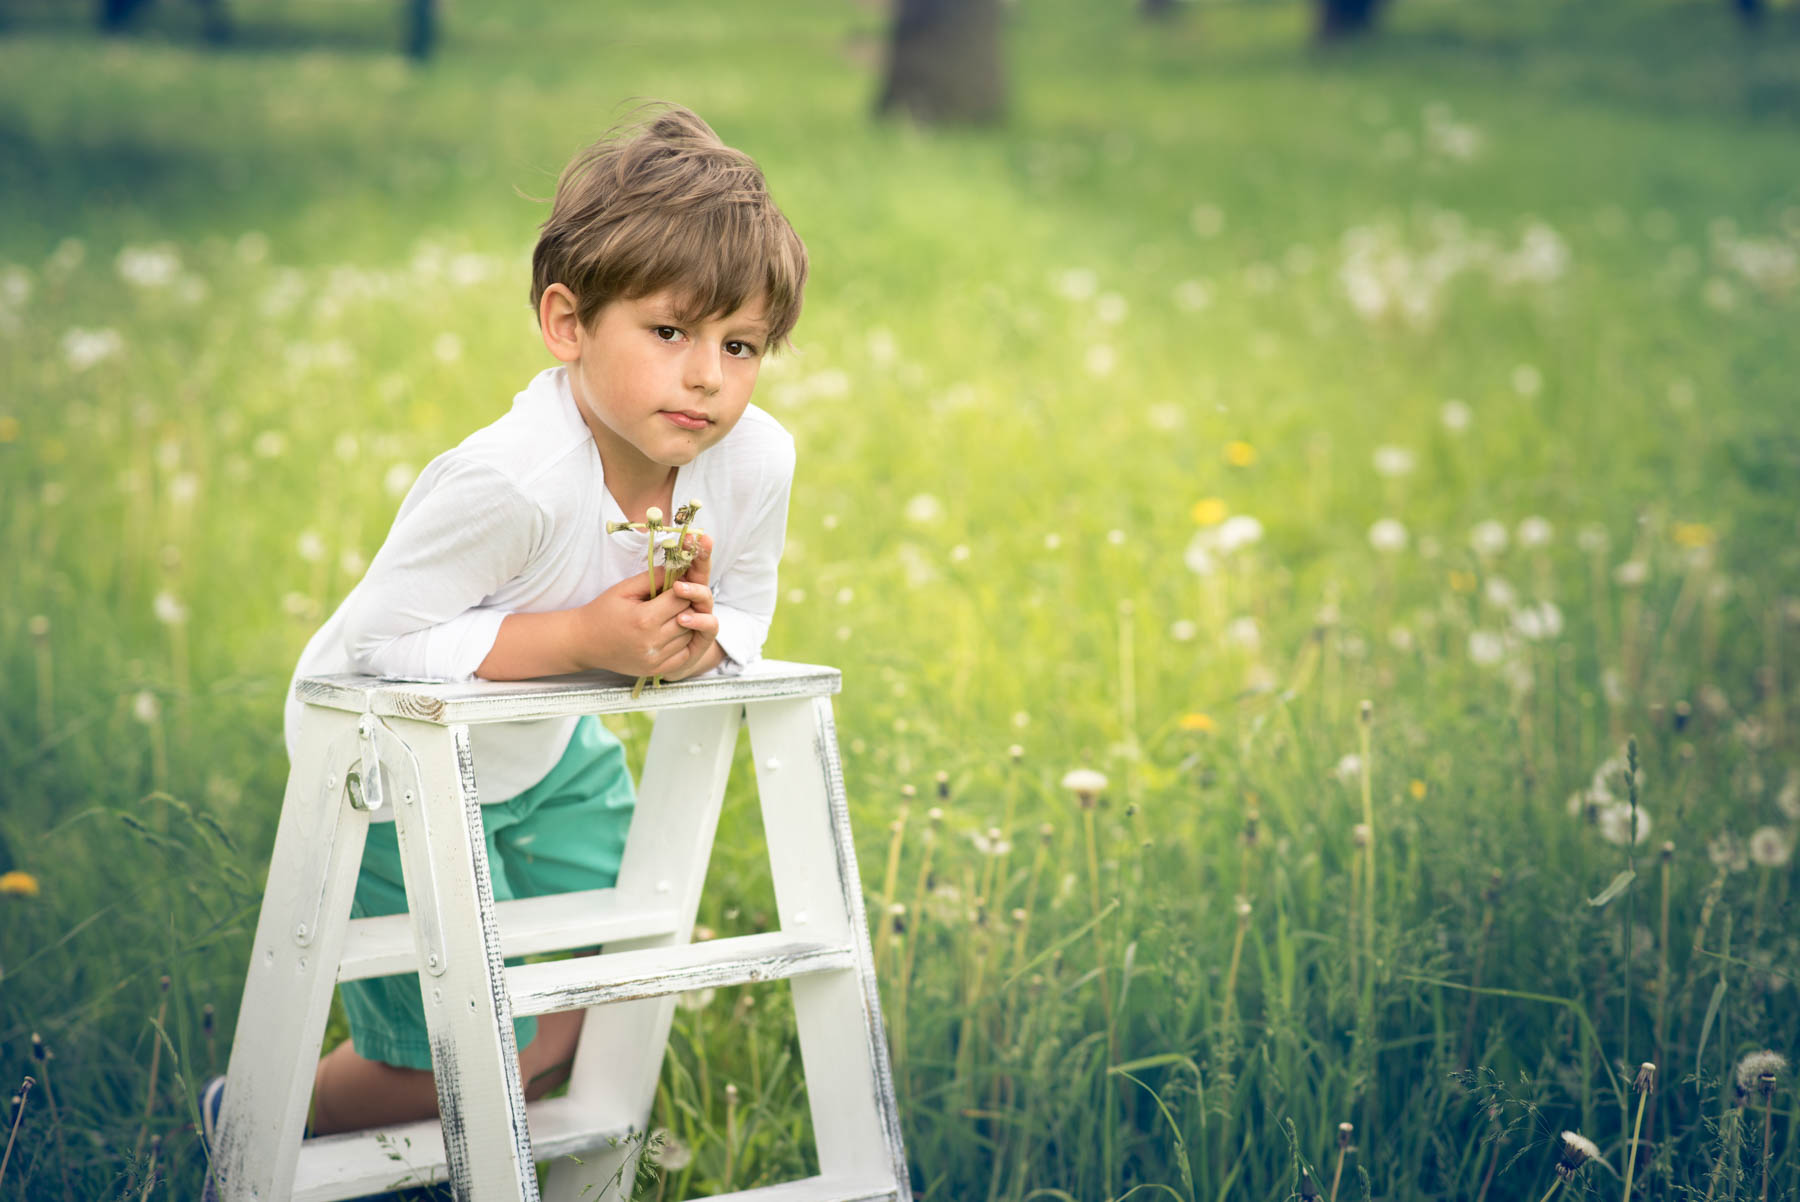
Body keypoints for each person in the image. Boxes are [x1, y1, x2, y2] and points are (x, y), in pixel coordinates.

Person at [209, 102, 806, 1149]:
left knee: (607, 993)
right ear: (568, 323)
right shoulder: (511, 481)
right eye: (670, 331)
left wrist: (706, 636)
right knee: (456, 1049)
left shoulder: (753, 458)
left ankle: (530, 1122)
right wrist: (581, 640)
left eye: (742, 343)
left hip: (548, 751)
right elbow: (372, 654)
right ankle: (254, 1118)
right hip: (385, 767)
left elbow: (749, 603)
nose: (709, 376)